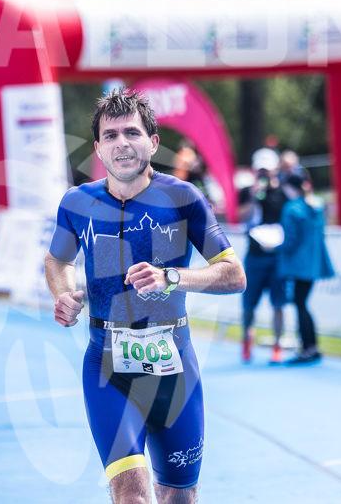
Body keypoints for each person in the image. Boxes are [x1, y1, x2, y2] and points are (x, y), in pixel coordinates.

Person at [45, 89, 245, 504]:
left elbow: (234, 274)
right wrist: (63, 294)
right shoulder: (78, 202)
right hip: (107, 367)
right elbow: (57, 259)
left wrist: (172, 277)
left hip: (175, 368)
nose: (122, 143)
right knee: (131, 493)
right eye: (111, 135)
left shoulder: (183, 198)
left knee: (178, 497)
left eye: (131, 133)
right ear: (98, 148)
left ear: (153, 142)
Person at [276, 172, 335, 364]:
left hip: (299, 264)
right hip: (314, 262)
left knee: (300, 304)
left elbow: (291, 239)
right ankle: (311, 346)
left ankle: (308, 348)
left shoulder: (292, 208)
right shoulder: (316, 205)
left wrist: (275, 247)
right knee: (302, 303)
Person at [237, 148, 288, 364]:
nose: (264, 174)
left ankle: (277, 344)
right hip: (255, 256)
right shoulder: (248, 191)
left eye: (267, 170)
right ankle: (247, 338)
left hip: (277, 256)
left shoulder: (283, 193)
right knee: (249, 304)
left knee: (278, 304)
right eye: (260, 170)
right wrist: (253, 197)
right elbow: (241, 216)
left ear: (275, 170)